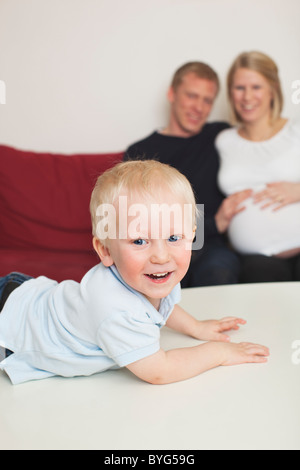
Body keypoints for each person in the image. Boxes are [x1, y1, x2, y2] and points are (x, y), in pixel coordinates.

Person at [0, 160, 269, 385]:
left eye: (174, 238)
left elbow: (162, 305)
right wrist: (218, 352)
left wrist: (196, 327)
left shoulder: (154, 275)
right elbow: (159, 371)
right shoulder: (114, 309)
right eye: (139, 241)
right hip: (11, 327)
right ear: (105, 251)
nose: (161, 256)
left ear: (191, 236)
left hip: (29, 296)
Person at [125, 62, 251, 288]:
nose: (199, 108)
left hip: (211, 250)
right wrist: (215, 223)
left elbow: (263, 139)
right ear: (172, 94)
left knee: (219, 273)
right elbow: (138, 222)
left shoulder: (220, 135)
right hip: (160, 249)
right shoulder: (139, 153)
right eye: (192, 96)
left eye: (207, 100)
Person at [216, 51, 300, 283]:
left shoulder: (295, 131)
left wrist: (297, 190)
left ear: (273, 89)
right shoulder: (224, 140)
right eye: (239, 88)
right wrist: (218, 220)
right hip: (256, 258)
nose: (247, 97)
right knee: (265, 303)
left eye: (256, 87)